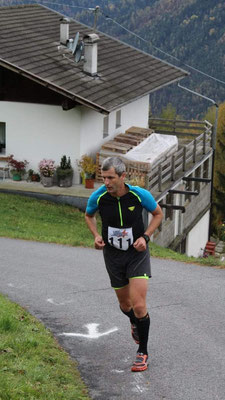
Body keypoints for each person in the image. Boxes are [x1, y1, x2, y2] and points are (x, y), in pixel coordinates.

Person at [85, 156, 163, 372]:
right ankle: (135, 322)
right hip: (113, 255)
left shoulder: (139, 195)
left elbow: (158, 214)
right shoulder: (98, 196)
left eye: (110, 178)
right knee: (125, 305)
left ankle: (142, 352)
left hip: (136, 254)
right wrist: (95, 236)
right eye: (104, 178)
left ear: (122, 176)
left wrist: (145, 237)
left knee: (139, 305)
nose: (107, 182)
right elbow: (88, 215)